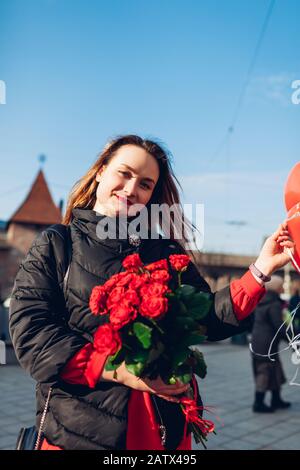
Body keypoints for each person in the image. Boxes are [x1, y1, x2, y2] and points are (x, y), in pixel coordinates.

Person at [9, 135, 294, 450]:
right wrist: (120, 372)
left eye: (145, 184)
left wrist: (260, 269)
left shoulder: (164, 251)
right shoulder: (57, 243)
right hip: (81, 433)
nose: (131, 189)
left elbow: (208, 319)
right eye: (125, 173)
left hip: (164, 431)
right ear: (101, 171)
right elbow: (31, 333)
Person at [251, 275, 291, 413]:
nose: (282, 288)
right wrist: (292, 339)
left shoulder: (263, 301)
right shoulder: (273, 304)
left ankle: (276, 399)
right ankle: (258, 403)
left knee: (275, 370)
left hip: (259, 342)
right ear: (276, 288)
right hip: (266, 345)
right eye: (281, 286)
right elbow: (279, 327)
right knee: (265, 372)